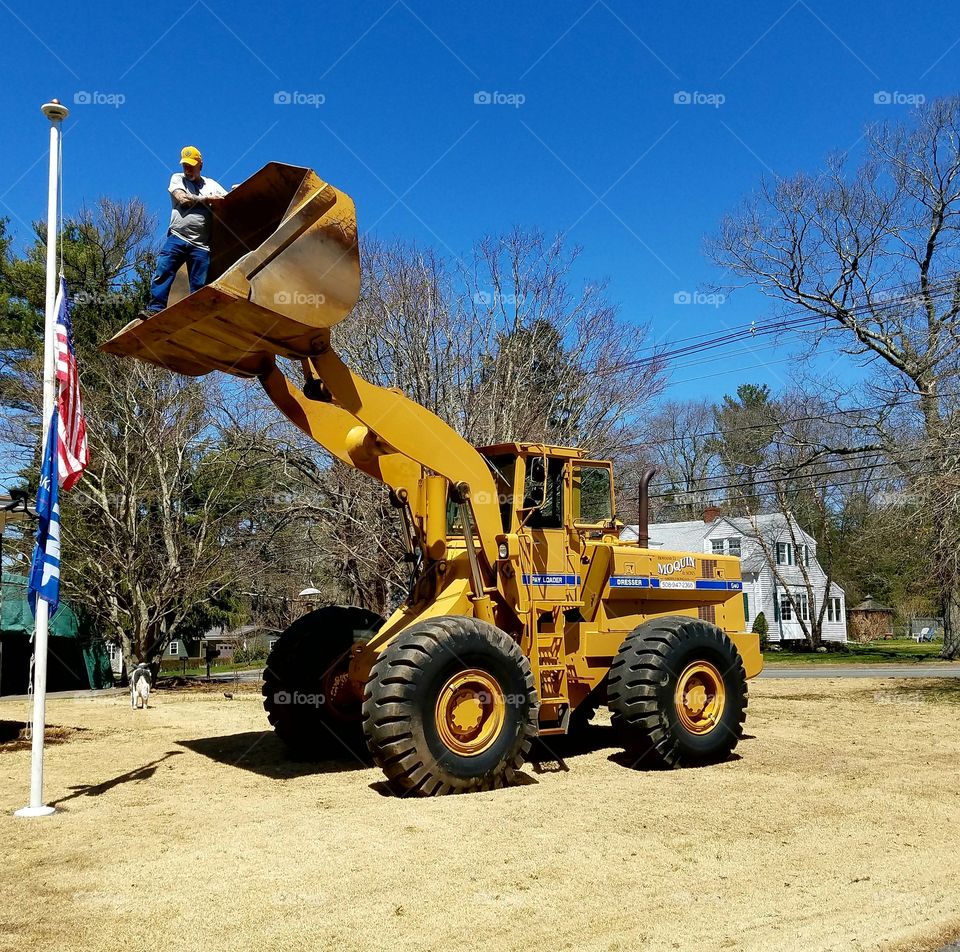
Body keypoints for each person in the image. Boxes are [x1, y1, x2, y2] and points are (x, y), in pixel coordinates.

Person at [142, 145, 227, 315]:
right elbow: (183, 199)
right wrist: (208, 199)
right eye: (185, 165)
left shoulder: (211, 184)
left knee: (198, 285)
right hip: (178, 237)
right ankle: (155, 309)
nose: (187, 170)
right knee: (163, 272)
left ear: (200, 165)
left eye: (191, 165)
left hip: (201, 246)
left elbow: (226, 200)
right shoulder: (177, 179)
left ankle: (196, 316)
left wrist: (236, 190)